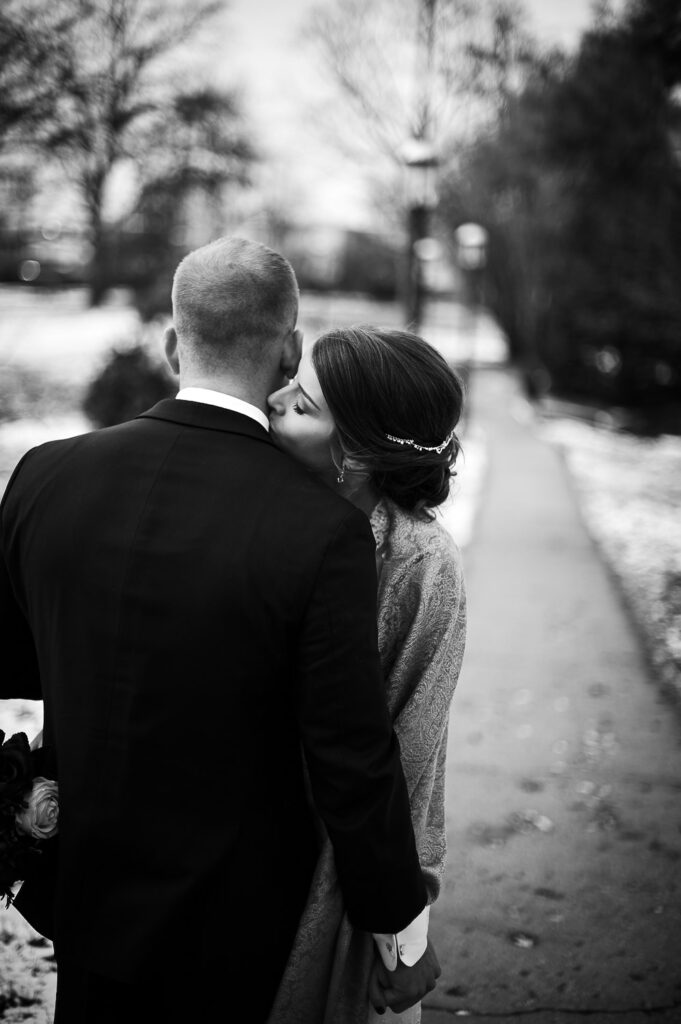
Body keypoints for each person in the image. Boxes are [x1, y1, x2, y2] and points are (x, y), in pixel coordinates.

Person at [0, 238, 439, 1023]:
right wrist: (400, 928)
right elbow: (351, 755)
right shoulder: (318, 528)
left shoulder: (44, 474)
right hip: (234, 924)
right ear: (291, 351)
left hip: (86, 895)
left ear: (173, 344)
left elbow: (17, 661)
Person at [267, 325, 467, 1023]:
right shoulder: (270, 510)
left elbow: (409, 751)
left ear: (350, 454)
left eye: (300, 403)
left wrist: (400, 933)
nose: (272, 399)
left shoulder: (420, 566)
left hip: (353, 866)